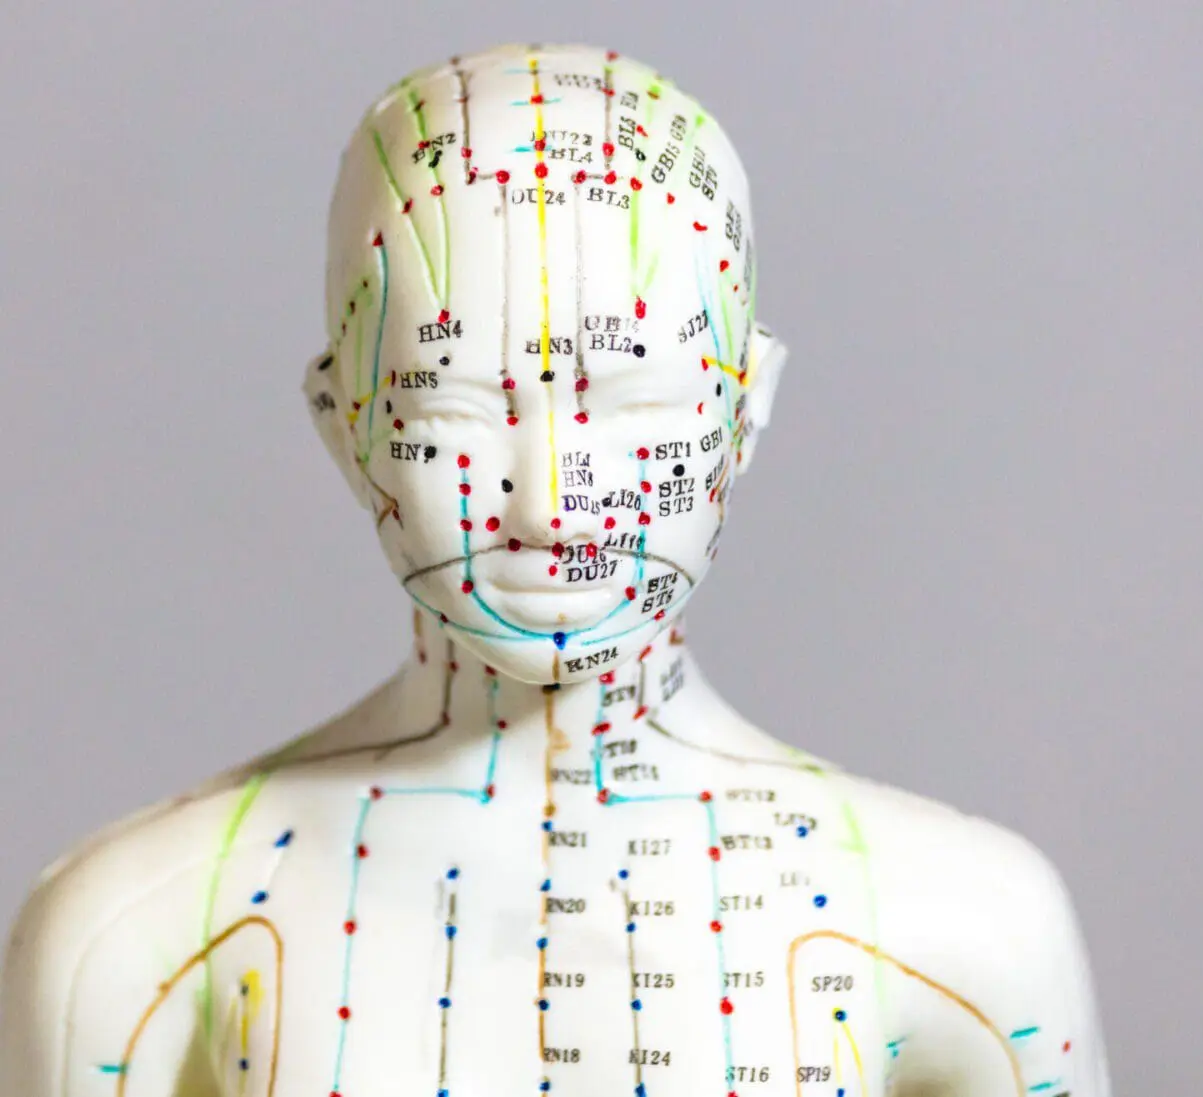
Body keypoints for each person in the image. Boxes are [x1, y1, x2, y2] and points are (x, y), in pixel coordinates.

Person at [0, 42, 1112, 1097]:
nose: (552, 499)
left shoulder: (970, 929)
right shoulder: (134, 938)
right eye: (456, 403)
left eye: (632, 402)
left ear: (745, 405)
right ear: (343, 425)